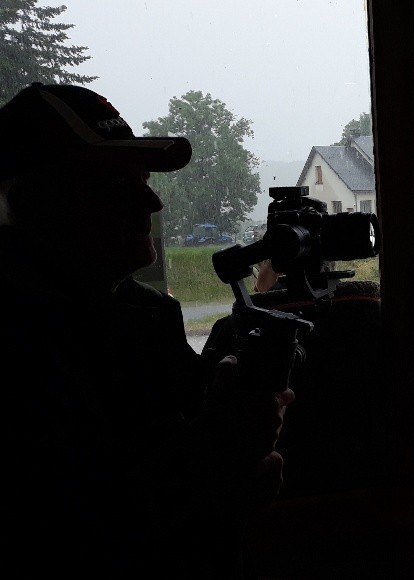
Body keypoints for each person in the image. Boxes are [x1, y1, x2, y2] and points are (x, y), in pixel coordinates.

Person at [0, 83, 295, 576]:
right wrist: (220, 455)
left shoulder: (146, 312)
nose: (152, 202)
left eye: (141, 176)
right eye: (113, 183)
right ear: (29, 202)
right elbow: (62, 534)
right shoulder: (17, 348)